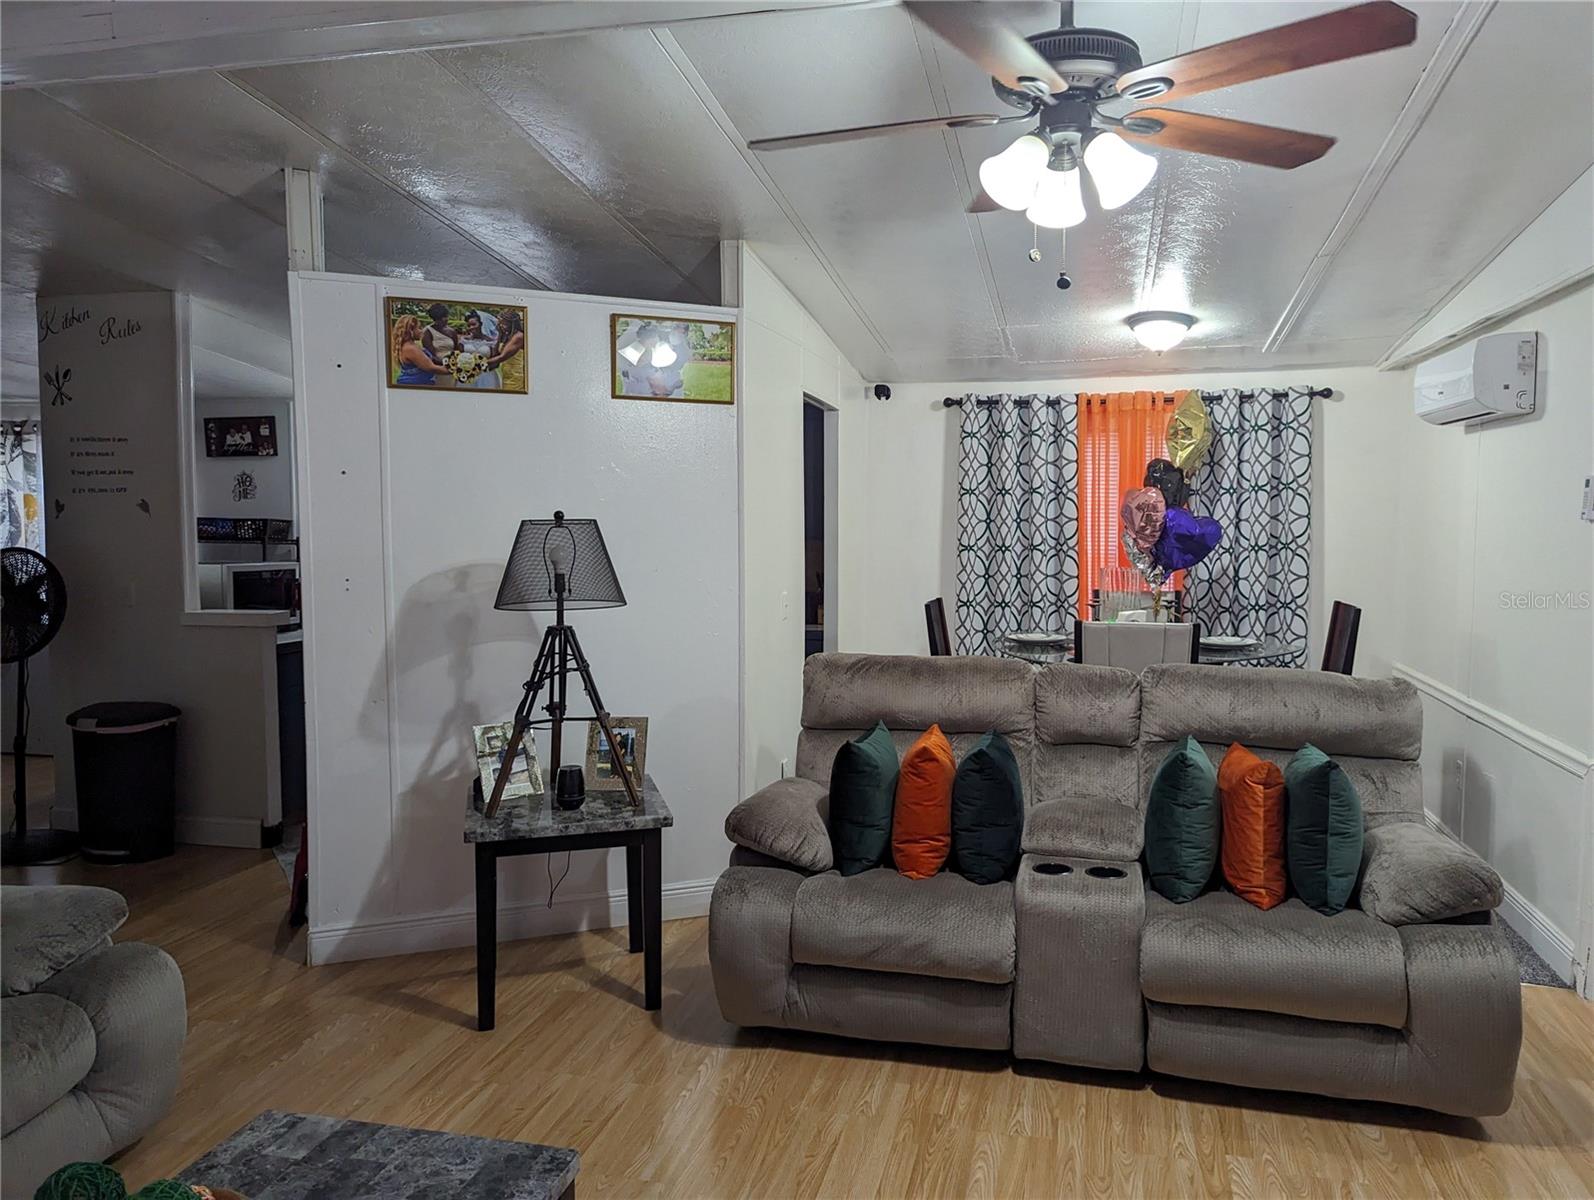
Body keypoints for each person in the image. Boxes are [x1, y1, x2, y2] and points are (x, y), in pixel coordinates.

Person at [391, 314, 453, 386]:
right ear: (411, 330)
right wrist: (454, 371)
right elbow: (431, 368)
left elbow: (430, 360)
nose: (421, 331)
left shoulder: (410, 345)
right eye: (418, 328)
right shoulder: (410, 349)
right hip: (415, 384)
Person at [460, 311, 501, 390]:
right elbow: (459, 358)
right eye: (469, 325)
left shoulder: (490, 341)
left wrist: (483, 366)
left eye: (474, 324)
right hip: (468, 376)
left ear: (481, 324)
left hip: (487, 376)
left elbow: (496, 363)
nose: (471, 327)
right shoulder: (464, 341)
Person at [487, 309, 525, 390]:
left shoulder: (519, 337)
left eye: (503, 323)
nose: (500, 325)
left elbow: (502, 357)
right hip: (506, 375)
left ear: (511, 323)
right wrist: (499, 335)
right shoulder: (506, 335)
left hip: (516, 375)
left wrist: (480, 362)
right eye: (499, 323)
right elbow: (496, 354)